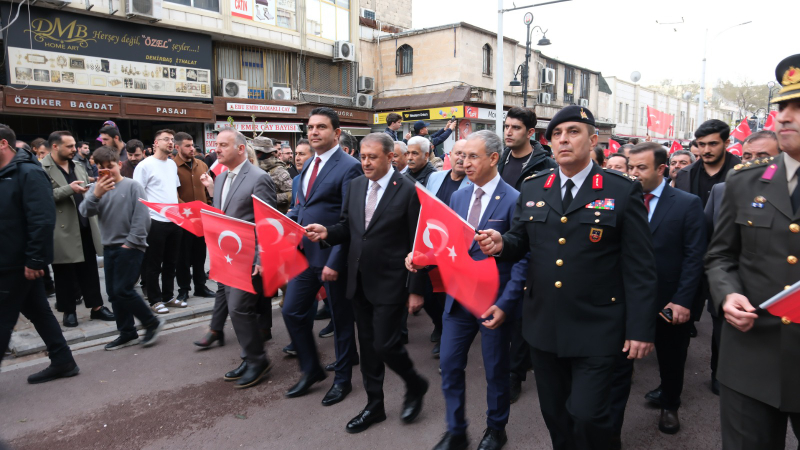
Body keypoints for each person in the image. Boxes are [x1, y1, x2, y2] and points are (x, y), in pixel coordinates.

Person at [476, 106, 658, 450]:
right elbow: (521, 241)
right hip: (544, 325)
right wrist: (501, 244)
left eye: (573, 132)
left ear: (593, 141)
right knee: (555, 414)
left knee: (590, 416)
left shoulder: (621, 191)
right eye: (557, 134)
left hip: (599, 325)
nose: (563, 139)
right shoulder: (534, 188)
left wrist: (640, 329)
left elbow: (640, 267)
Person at [705, 54, 800, 449]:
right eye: (782, 107)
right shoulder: (744, 182)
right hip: (752, 353)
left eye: (799, 108)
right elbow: (720, 256)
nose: (784, 117)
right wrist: (728, 294)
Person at [304, 132, 428, 434]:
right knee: (369, 347)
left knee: (386, 344)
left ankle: (415, 383)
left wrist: (416, 290)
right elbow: (349, 226)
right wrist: (327, 232)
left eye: (373, 156)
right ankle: (375, 406)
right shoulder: (357, 185)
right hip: (358, 279)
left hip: (391, 282)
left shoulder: (411, 191)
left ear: (391, 157)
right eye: (362, 156)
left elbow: (419, 244)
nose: (366, 162)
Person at [414, 131, 527, 450]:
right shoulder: (459, 197)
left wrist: (507, 303)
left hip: (493, 303)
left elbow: (522, 257)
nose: (464, 162)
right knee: (449, 364)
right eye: (462, 156)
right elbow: (449, 245)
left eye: (473, 156)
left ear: (493, 159)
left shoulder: (514, 200)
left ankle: (496, 427)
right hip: (459, 300)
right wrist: (422, 256)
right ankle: (456, 429)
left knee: (495, 369)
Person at [611, 143, 706, 438]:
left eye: (641, 168)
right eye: (630, 167)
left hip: (668, 299)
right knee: (619, 359)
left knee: (671, 356)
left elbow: (694, 257)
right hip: (625, 297)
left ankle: (670, 404)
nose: (634, 174)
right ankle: (612, 418)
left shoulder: (686, 203)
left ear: (661, 169)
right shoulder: (620, 199)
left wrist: (682, 300)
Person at [282, 107, 361, 405]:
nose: (313, 132)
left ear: (337, 133)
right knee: (291, 311)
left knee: (341, 321)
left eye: (321, 127)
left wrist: (335, 261)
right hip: (304, 256)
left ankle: (343, 380)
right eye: (310, 127)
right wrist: (288, 219)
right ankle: (311, 368)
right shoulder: (306, 166)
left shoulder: (349, 167)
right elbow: (300, 205)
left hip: (332, 258)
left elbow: (350, 220)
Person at [0, 124, 80, 384]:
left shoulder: (28, 173)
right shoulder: (6, 173)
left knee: (3, 319)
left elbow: (43, 219)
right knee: (38, 311)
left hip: (18, 262)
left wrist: (36, 258)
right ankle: (63, 360)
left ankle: (63, 360)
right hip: (9, 259)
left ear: (3, 144)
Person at [199, 127, 278, 389]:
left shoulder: (259, 178)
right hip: (228, 258)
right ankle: (250, 357)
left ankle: (258, 360)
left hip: (250, 257)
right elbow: (224, 214)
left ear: (241, 149)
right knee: (237, 309)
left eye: (223, 145)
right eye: (216, 145)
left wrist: (261, 258)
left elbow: (267, 223)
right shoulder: (219, 177)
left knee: (239, 308)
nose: (217, 149)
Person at [673, 118, 741, 392]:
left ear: (726, 143)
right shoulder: (686, 173)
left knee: (722, 321)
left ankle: (720, 373)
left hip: (727, 261)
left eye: (713, 143)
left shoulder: (743, 172)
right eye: (701, 144)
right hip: (689, 258)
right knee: (680, 321)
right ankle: (672, 386)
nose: (706, 150)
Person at [496, 106, 558, 403]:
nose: (508, 132)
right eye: (506, 126)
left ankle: (515, 374)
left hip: (529, 244)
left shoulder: (545, 166)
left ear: (530, 133)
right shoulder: (500, 160)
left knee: (521, 310)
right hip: (500, 244)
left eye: (515, 128)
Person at [78, 146, 165, 350]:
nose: (107, 171)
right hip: (109, 247)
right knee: (113, 293)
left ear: (119, 164)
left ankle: (151, 322)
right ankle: (127, 332)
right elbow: (84, 211)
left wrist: (131, 242)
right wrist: (96, 194)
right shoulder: (97, 188)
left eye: (110, 167)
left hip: (130, 246)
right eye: (101, 168)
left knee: (123, 289)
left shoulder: (133, 186)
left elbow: (142, 217)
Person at [40, 131, 114, 327]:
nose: (75, 149)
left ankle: (97, 307)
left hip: (85, 223)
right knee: (64, 272)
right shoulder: (41, 168)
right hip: (62, 228)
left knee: (89, 269)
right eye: (70, 146)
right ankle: (68, 311)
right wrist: (69, 189)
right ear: (55, 147)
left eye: (74, 146)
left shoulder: (79, 166)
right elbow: (41, 197)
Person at [417, 140, 472, 358]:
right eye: (459, 153)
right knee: (429, 294)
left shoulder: (473, 183)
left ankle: (447, 338)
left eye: (468, 155)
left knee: (451, 296)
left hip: (457, 250)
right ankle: (440, 325)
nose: (462, 159)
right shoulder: (435, 177)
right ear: (450, 155)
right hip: (431, 246)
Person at [134, 129, 184, 314]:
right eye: (166, 140)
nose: (170, 143)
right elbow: (138, 195)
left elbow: (174, 191)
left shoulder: (172, 164)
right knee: (154, 263)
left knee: (172, 262)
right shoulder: (145, 166)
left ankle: (168, 296)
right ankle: (154, 300)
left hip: (174, 219)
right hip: (155, 220)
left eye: (172, 139)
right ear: (155, 143)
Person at [172, 132, 215, 303]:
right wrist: (187, 209)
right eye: (187, 146)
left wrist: (209, 204)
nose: (192, 149)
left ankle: (200, 286)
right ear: (177, 147)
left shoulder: (202, 165)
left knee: (200, 254)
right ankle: (183, 290)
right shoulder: (171, 167)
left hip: (201, 219)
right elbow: (172, 193)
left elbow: (208, 189)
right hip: (182, 220)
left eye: (192, 145)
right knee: (182, 257)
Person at [253, 136, 293, 214]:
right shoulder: (254, 167)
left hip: (275, 215)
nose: (255, 154)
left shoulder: (279, 171)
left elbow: (292, 193)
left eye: (257, 152)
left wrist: (271, 198)